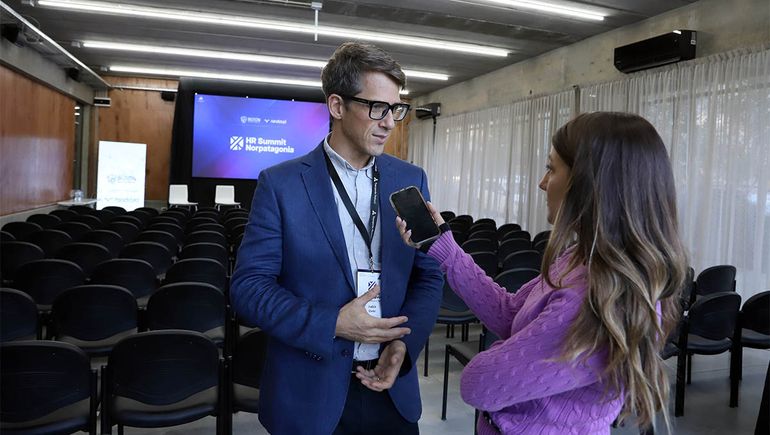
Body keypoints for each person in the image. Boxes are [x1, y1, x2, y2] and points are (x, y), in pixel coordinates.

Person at [397, 112, 688, 434]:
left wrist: (508, 350)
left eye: (551, 168)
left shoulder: (589, 296)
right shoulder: (581, 258)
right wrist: (446, 250)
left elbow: (479, 383)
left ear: (589, 185)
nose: (542, 182)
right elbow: (510, 313)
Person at [230, 42, 444, 435]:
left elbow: (429, 275)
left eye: (395, 109)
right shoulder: (280, 185)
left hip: (391, 390)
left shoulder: (410, 180)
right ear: (337, 106)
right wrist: (332, 323)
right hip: (309, 394)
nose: (389, 122)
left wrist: (403, 345)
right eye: (377, 108)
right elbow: (249, 288)